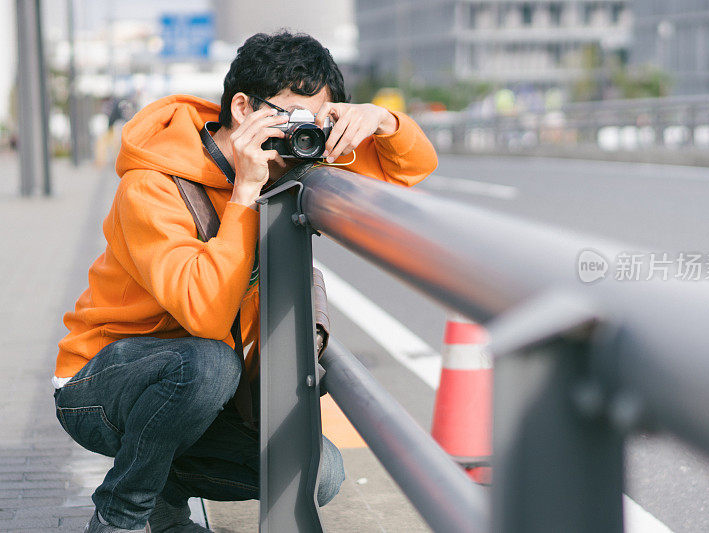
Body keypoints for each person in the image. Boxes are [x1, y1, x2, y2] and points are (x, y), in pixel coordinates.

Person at [53, 31, 438, 533]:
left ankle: (164, 498)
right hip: (100, 387)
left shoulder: (288, 162)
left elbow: (412, 170)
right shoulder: (152, 184)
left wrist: (382, 119)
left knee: (318, 474)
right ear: (242, 107)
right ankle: (121, 514)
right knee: (209, 365)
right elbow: (205, 312)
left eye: (316, 123)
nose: (302, 134)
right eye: (292, 117)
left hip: (198, 393)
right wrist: (246, 192)